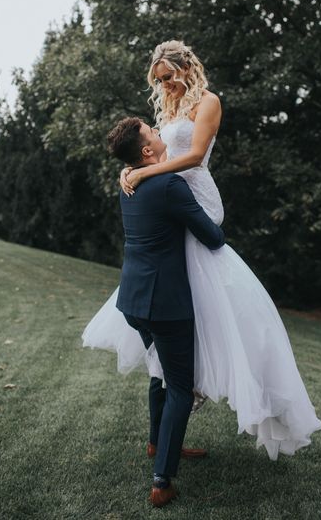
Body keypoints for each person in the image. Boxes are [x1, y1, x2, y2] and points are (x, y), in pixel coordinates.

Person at [82, 40, 321, 468]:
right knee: (174, 313)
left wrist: (143, 171)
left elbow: (192, 156)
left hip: (194, 198)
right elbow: (150, 149)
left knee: (209, 297)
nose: (164, 85)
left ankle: (187, 400)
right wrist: (132, 168)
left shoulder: (208, 102)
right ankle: (170, 424)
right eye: (158, 81)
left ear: (186, 66)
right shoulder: (168, 109)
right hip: (169, 197)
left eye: (168, 76)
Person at [104, 116, 225, 507]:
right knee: (178, 386)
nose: (159, 134)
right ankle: (161, 480)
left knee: (159, 374)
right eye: (153, 133)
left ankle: (159, 444)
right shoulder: (169, 185)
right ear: (146, 150)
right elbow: (212, 235)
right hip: (164, 304)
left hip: (133, 300)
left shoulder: (129, 184)